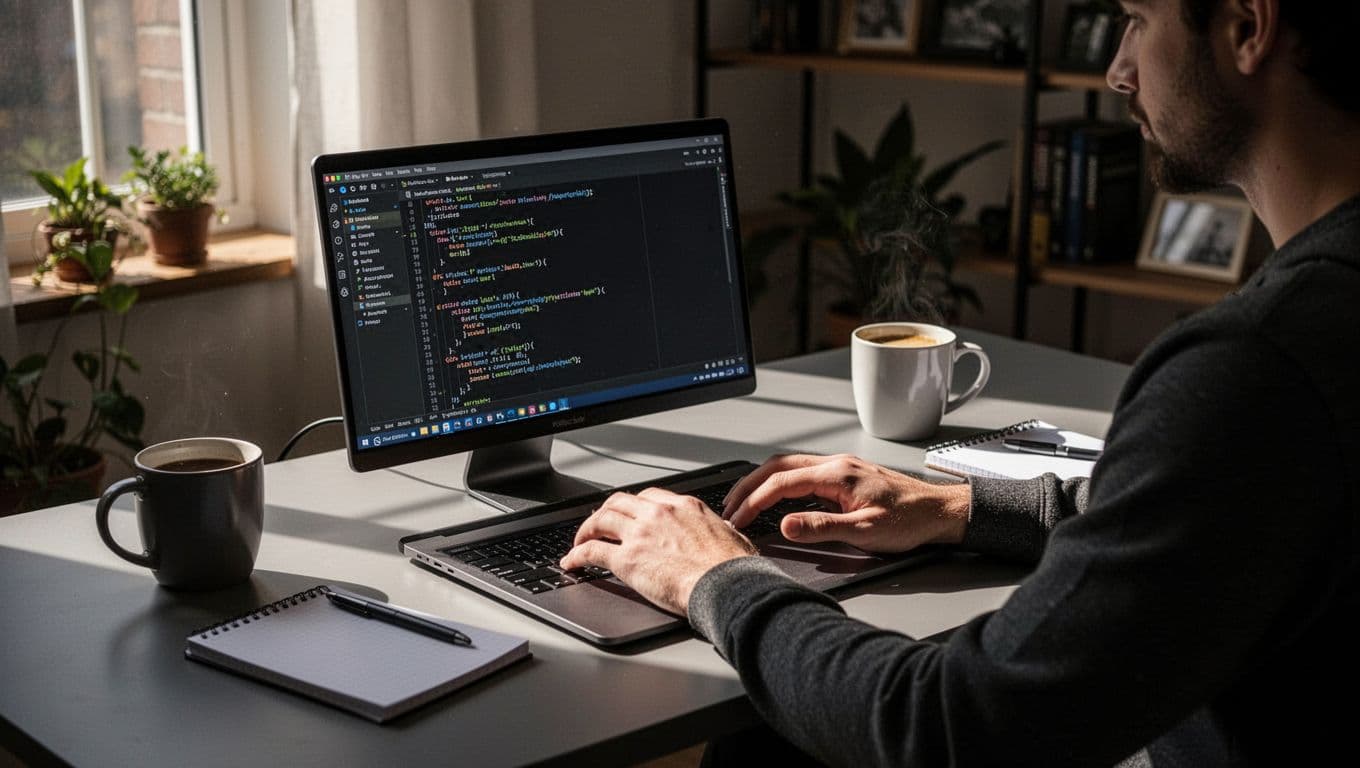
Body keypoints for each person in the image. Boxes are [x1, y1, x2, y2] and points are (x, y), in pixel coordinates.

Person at [562, 0, 1360, 764]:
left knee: (771, 740)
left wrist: (715, 577)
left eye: (1138, 21)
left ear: (1248, 25)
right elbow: (1223, 514)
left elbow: (953, 730)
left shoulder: (1259, 365)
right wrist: (957, 508)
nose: (1118, 69)